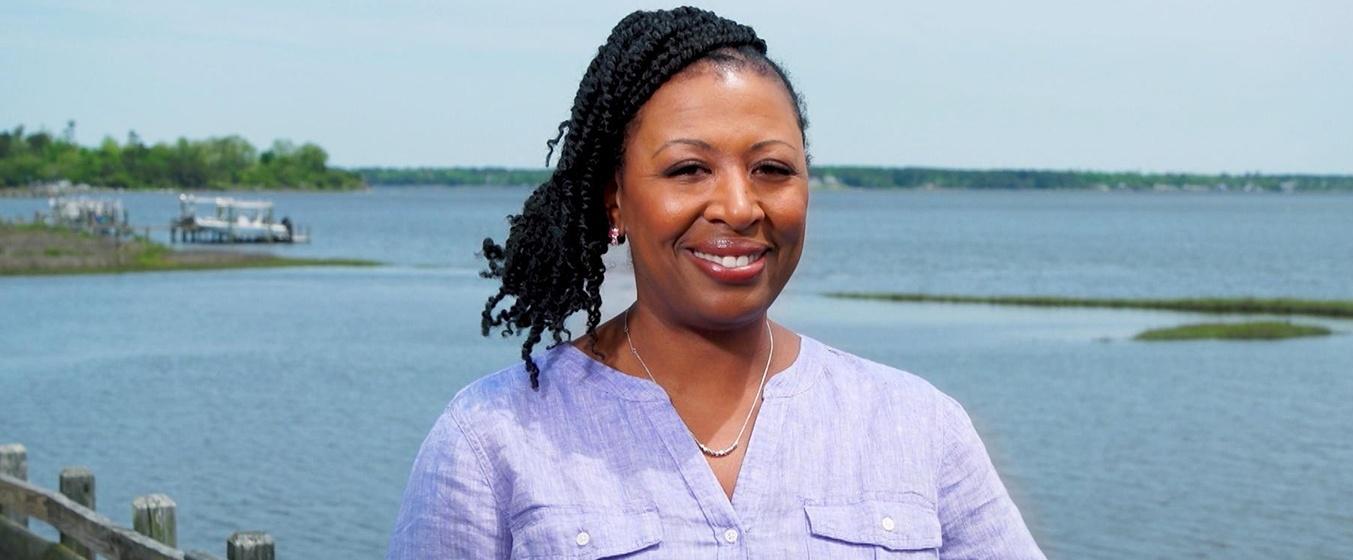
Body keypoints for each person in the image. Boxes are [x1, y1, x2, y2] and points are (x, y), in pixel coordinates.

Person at [388, 7, 1044, 558]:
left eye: (772, 169)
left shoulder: (917, 427)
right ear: (615, 200)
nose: (738, 206)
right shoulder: (492, 439)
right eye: (689, 169)